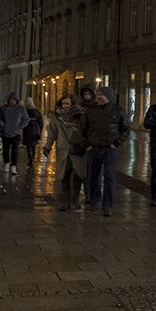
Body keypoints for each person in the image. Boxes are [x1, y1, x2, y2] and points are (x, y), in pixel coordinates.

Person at [80, 86, 130, 217]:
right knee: (93, 176)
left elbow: (125, 129)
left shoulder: (118, 111)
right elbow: (82, 129)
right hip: (94, 147)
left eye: (102, 95)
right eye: (99, 94)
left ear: (109, 96)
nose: (99, 97)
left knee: (109, 177)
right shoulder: (90, 111)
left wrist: (116, 143)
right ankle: (94, 200)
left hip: (110, 148)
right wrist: (87, 144)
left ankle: (107, 204)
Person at [44, 96, 87, 210]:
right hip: (63, 150)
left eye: (68, 104)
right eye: (63, 104)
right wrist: (47, 146)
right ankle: (66, 201)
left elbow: (86, 131)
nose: (66, 106)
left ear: (73, 104)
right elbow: (52, 134)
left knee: (78, 175)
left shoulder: (80, 116)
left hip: (77, 149)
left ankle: (75, 201)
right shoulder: (57, 118)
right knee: (65, 175)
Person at [0, 92, 30, 175]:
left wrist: (20, 127)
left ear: (16, 100)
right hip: (5, 133)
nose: (12, 101)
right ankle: (6, 163)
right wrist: (2, 124)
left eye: (14, 100)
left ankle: (13, 166)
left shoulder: (20, 109)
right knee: (5, 149)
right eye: (11, 100)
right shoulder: (3, 108)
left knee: (15, 150)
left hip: (16, 133)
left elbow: (26, 119)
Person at [22, 97, 44, 167]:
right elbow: (41, 122)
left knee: (28, 146)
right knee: (33, 146)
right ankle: (33, 159)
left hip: (27, 130)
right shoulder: (37, 111)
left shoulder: (25, 111)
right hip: (35, 130)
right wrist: (40, 130)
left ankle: (30, 160)